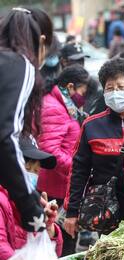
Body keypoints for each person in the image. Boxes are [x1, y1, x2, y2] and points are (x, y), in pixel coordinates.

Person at [63, 58, 124, 239]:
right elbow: (79, 171)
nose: (114, 92)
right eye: (110, 88)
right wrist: (71, 212)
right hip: (107, 214)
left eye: (120, 87)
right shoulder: (91, 125)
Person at [0, 7, 54, 233]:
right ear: (42, 41)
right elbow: (5, 136)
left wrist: (30, 196)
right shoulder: (19, 64)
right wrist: (29, 204)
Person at [0, 135, 62, 260]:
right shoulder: (2, 200)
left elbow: (51, 254)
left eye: (36, 171)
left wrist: (48, 226)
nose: (32, 175)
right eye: (27, 169)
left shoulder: (33, 201)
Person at [37, 65, 90, 206]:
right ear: (70, 87)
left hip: (61, 181)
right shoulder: (54, 107)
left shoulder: (65, 104)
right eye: (83, 92)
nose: (83, 98)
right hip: (55, 184)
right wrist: (77, 168)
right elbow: (49, 150)